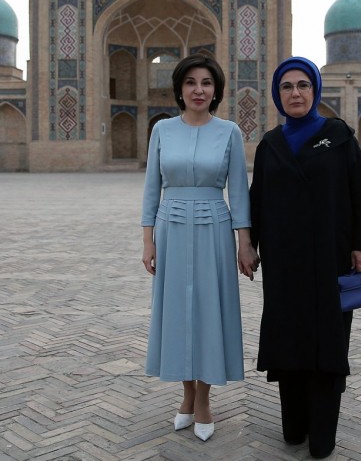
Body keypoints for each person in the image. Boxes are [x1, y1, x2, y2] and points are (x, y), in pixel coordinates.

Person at [249, 56, 361, 459]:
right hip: (284, 262)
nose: (296, 93)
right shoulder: (270, 144)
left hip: (331, 258)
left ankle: (322, 433)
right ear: (277, 95)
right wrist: (248, 245)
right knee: (289, 338)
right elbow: (257, 199)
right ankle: (294, 424)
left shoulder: (339, 136)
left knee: (328, 340)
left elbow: (360, 191)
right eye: (287, 87)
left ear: (316, 90)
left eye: (303, 85)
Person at [141, 53, 259, 442]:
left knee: (209, 311)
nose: (198, 90)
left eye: (206, 83)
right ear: (179, 89)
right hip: (171, 228)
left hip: (214, 229)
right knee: (177, 311)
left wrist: (245, 245)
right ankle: (186, 394)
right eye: (191, 82)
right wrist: (147, 240)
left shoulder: (229, 132)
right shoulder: (162, 130)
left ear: (216, 91)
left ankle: (204, 399)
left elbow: (238, 192)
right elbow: (152, 187)